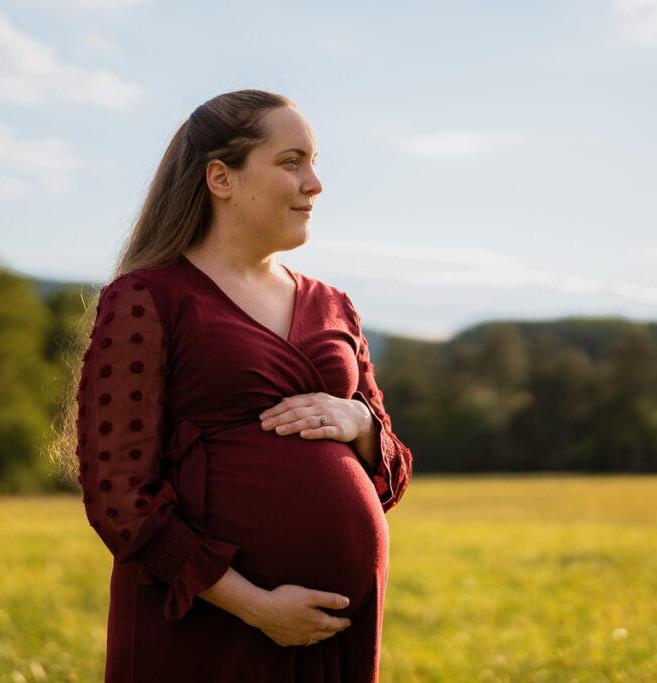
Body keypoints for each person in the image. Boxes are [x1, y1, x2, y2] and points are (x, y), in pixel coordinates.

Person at [65, 89, 412, 682]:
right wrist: (255, 606)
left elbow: (391, 476)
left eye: (315, 161)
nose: (315, 183)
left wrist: (360, 424)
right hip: (204, 626)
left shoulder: (336, 305)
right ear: (221, 178)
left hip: (337, 633)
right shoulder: (150, 298)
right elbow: (119, 496)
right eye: (291, 161)